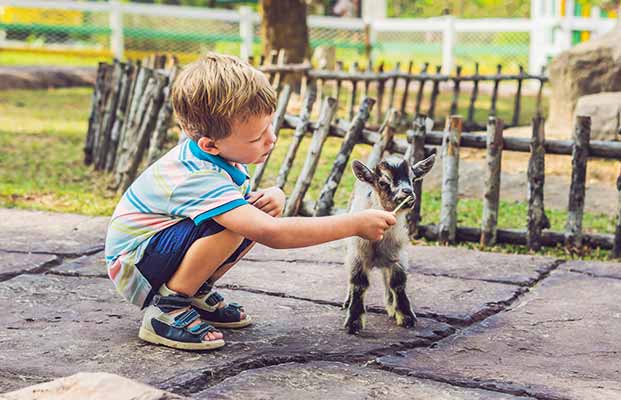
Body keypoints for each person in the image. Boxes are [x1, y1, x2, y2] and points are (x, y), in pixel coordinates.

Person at [104, 53, 397, 351]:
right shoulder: (197, 176)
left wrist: (275, 195)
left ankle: (193, 292)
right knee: (237, 225)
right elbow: (272, 234)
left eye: (270, 126)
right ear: (210, 145)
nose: (271, 139)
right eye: (257, 137)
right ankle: (168, 307)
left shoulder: (216, 157)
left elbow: (246, 211)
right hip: (134, 265)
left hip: (151, 254)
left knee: (248, 214)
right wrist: (353, 224)